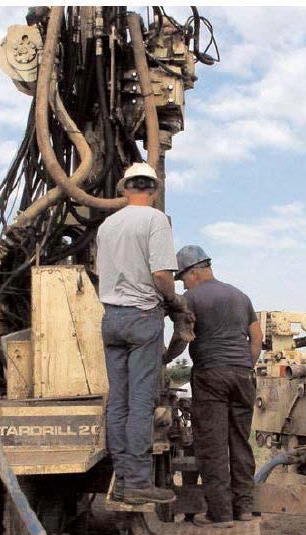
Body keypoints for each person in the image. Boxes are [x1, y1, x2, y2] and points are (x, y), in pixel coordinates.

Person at [97, 162, 192, 505]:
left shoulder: (107, 226)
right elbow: (162, 275)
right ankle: (138, 481)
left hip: (111, 319)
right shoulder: (155, 221)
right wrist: (173, 300)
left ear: (124, 189)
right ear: (154, 191)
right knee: (140, 402)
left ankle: (122, 479)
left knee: (118, 402)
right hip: (141, 317)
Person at [164, 245, 263, 528]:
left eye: (183, 277)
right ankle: (244, 508)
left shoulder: (191, 298)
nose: (183, 283)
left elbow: (183, 336)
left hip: (211, 376)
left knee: (213, 445)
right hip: (243, 376)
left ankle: (219, 514)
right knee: (240, 443)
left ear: (195, 272)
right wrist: (245, 365)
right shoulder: (240, 296)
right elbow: (256, 338)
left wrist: (166, 357)